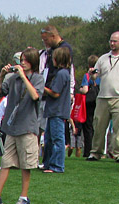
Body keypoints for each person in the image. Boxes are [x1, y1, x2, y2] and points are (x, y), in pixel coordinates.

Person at [0, 48, 44, 204]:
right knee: (5, 163)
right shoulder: (12, 79)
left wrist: (24, 77)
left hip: (28, 127)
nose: (21, 63)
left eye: (25, 60)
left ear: (32, 62)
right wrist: (2, 75)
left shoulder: (38, 79)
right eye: (20, 60)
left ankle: (24, 198)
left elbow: (35, 96)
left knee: (26, 165)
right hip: (11, 128)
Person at [88, 32, 119, 161]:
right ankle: (96, 152)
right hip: (103, 96)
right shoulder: (103, 58)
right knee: (99, 125)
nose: (112, 43)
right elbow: (95, 76)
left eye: (115, 41)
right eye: (110, 41)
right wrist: (92, 74)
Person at [42, 45, 72, 173]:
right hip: (54, 111)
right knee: (49, 139)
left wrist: (42, 87)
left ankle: (57, 166)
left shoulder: (61, 74)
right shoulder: (64, 73)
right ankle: (48, 163)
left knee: (57, 139)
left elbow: (55, 93)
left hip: (57, 111)